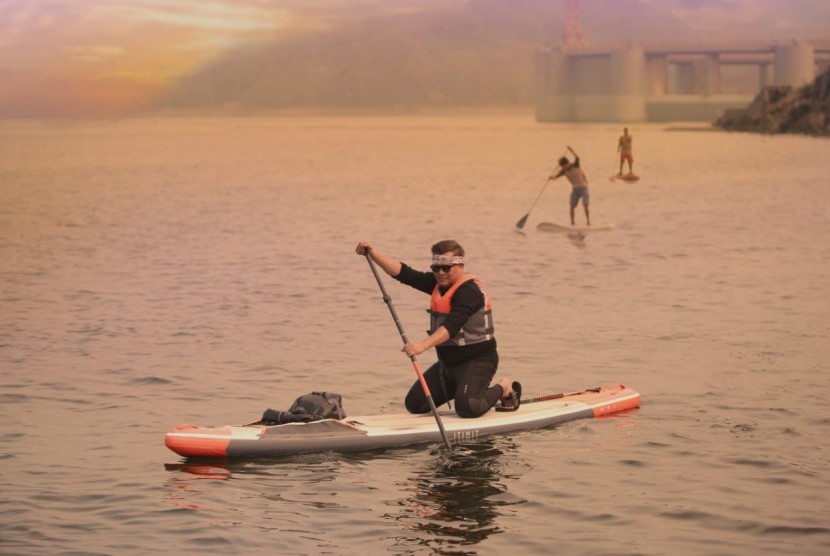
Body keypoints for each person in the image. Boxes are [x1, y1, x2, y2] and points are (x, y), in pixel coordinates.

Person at [355, 239, 521, 418]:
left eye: (446, 268)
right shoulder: (437, 283)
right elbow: (404, 273)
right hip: (448, 366)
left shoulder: (470, 292)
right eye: (436, 268)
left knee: (467, 408)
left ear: (461, 265)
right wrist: (372, 254)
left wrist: (421, 346)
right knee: (415, 404)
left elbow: (451, 326)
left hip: (478, 361)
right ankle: (465, 390)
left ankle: (503, 387)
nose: (441, 273)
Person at [550, 145, 590, 226]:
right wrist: (552, 177)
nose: (564, 167)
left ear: (567, 163)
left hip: (583, 188)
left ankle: (588, 222)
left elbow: (577, 157)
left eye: (565, 165)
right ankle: (572, 223)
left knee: (585, 204)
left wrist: (571, 150)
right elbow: (556, 177)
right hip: (575, 190)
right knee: (571, 206)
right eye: (562, 166)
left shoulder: (575, 165)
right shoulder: (563, 171)